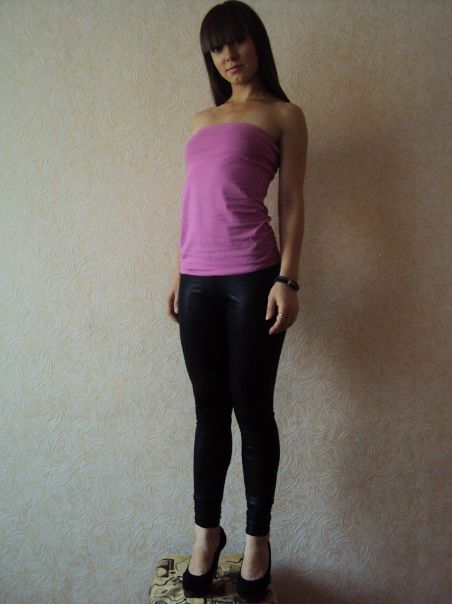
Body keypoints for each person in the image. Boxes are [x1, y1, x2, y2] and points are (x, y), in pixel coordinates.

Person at [166, 1, 307, 601]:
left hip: (254, 278)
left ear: (257, 43)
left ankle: (256, 541)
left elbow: (293, 201)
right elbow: (194, 200)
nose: (228, 54)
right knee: (208, 412)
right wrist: (178, 272)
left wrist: (288, 279)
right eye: (217, 47)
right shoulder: (201, 119)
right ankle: (207, 534)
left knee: (252, 409)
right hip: (196, 281)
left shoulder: (284, 114)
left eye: (237, 41)